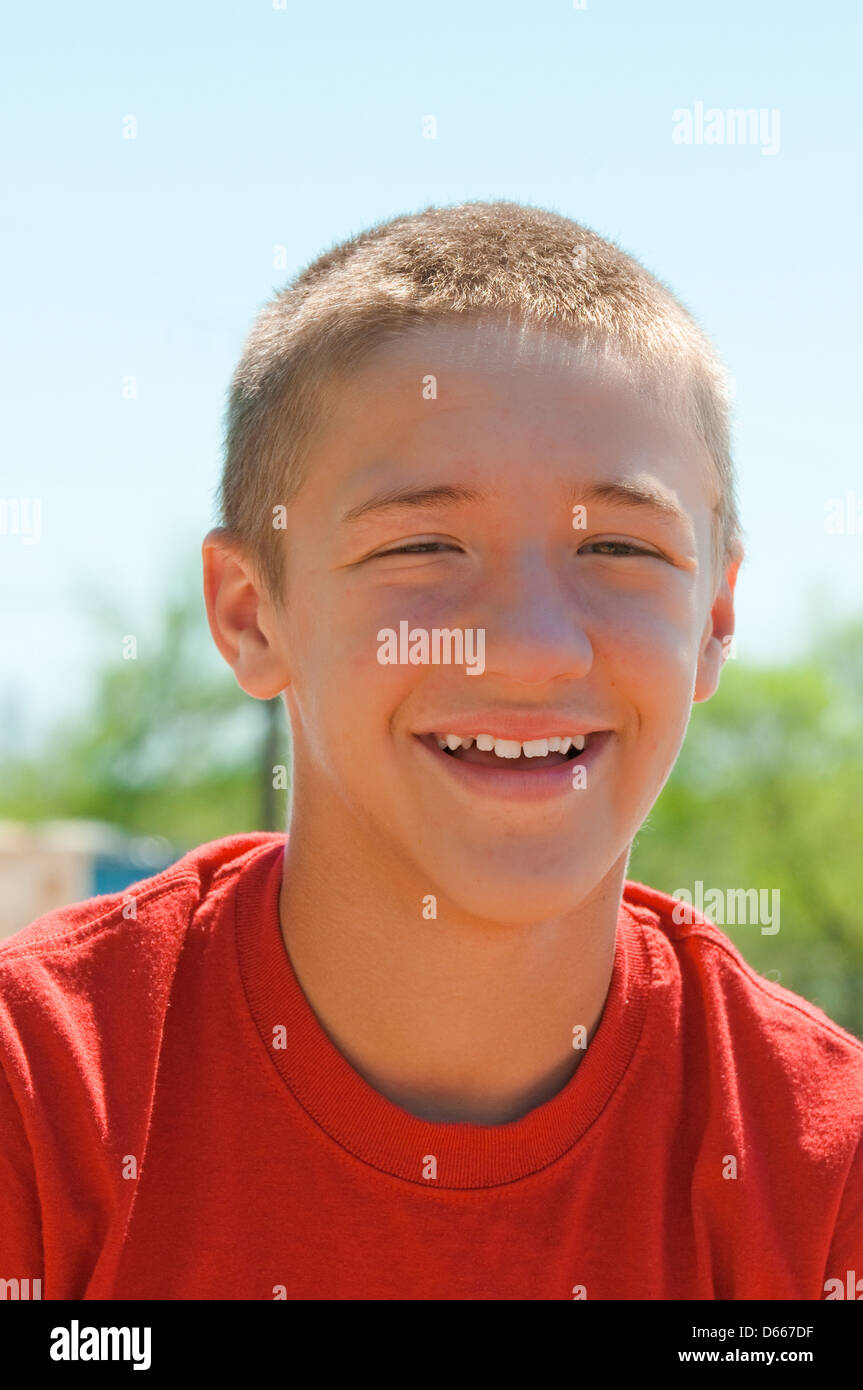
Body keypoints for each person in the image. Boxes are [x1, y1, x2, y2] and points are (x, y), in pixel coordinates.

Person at [1, 202, 860, 1300]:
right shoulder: (42, 1098)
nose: (532, 647)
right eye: (421, 544)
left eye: (616, 546)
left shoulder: (817, 1173)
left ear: (715, 621)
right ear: (251, 615)